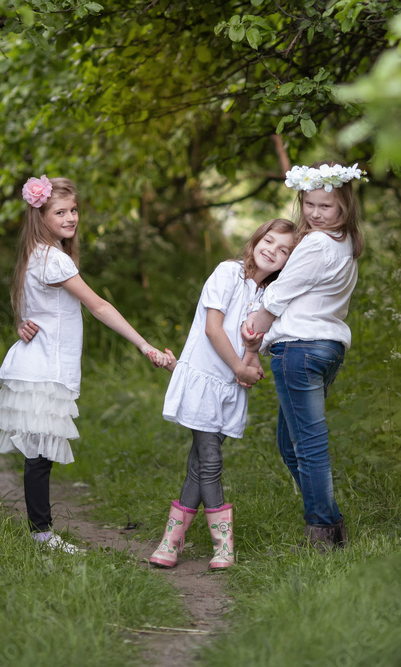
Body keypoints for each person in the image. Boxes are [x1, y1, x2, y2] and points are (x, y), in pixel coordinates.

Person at [0, 175, 171, 553]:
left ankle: (40, 532)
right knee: (40, 455)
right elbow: (99, 305)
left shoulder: (37, 255)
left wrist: (22, 324)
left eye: (73, 210)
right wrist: (143, 344)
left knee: (38, 452)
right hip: (44, 367)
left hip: (38, 363)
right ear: (39, 216)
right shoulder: (53, 259)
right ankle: (41, 535)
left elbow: (32, 312)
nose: (71, 218)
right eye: (60, 212)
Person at [148, 218, 296, 570]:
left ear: (290, 262)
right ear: (256, 239)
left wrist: (249, 365)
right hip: (203, 380)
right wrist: (239, 368)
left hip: (228, 390)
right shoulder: (228, 273)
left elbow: (251, 347)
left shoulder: (269, 298)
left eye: (284, 250)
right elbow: (213, 329)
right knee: (210, 462)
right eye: (269, 241)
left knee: (199, 464)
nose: (272, 251)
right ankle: (223, 548)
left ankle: (172, 541)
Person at [242, 161, 366, 552]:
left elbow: (278, 297)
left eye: (325, 207)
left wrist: (251, 340)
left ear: (344, 206)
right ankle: (331, 522)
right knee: (290, 443)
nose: (314, 213)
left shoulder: (316, 244)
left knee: (308, 445)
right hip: (326, 347)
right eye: (309, 204)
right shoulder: (344, 243)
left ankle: (322, 531)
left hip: (300, 349)